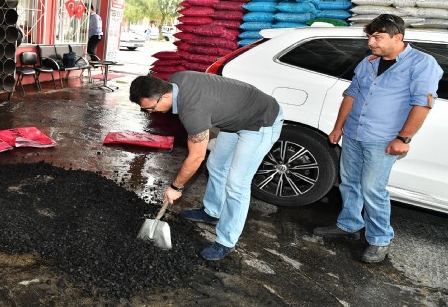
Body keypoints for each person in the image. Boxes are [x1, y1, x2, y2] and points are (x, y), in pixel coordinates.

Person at [313, 14, 443, 263]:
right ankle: (349, 224)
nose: (371, 43)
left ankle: (380, 239)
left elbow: (422, 105)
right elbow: (351, 95)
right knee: (350, 182)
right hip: (353, 133)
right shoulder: (368, 62)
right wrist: (338, 127)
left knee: (373, 189)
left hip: (383, 139)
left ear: (398, 38)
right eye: (370, 37)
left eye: (377, 37)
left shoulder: (421, 64)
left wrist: (403, 139)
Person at [129, 72, 283, 260]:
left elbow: (196, 157)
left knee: (237, 183)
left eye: (151, 108)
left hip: (261, 121)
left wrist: (175, 187)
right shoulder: (175, 81)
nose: (151, 113)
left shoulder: (193, 110)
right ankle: (213, 212)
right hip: (237, 118)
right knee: (216, 164)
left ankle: (226, 241)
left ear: (165, 96)